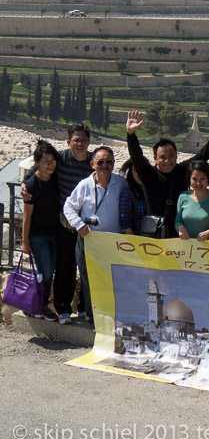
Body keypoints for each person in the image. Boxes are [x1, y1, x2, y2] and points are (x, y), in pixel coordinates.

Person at [21, 123, 93, 325]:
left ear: (89, 142)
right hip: (64, 224)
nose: (80, 144)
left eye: (84, 140)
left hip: (88, 226)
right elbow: (38, 168)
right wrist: (25, 183)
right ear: (69, 142)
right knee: (64, 267)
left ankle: (86, 308)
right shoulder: (61, 159)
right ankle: (62, 308)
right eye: (76, 140)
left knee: (89, 268)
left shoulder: (93, 162)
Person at [126, 110, 209, 237]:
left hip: (180, 233)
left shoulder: (182, 170)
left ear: (176, 156)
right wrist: (131, 134)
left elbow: (204, 154)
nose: (167, 161)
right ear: (155, 158)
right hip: (155, 233)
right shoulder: (148, 174)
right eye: (162, 157)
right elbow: (136, 155)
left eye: (171, 156)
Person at [63, 146, 129, 321]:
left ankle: (110, 316)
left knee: (111, 280)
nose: (105, 165)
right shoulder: (84, 185)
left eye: (109, 161)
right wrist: (78, 224)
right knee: (89, 281)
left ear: (114, 163)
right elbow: (68, 206)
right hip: (88, 241)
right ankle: (94, 318)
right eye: (100, 162)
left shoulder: (121, 183)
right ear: (92, 164)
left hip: (112, 244)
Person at [21, 141, 61, 322]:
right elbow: (26, 217)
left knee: (49, 270)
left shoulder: (55, 177)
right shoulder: (31, 186)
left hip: (54, 232)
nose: (50, 164)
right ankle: (41, 305)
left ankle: (34, 304)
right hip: (38, 235)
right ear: (37, 162)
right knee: (45, 271)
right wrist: (24, 242)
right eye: (46, 161)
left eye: (52, 160)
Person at [175, 161, 209, 241]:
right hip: (186, 247)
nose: (198, 183)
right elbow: (178, 220)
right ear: (189, 179)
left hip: (208, 248)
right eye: (194, 179)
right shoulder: (183, 197)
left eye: (202, 179)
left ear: (208, 179)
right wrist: (180, 228)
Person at [119, 158, 146, 235]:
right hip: (138, 239)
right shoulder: (127, 194)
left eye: (142, 169)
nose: (140, 173)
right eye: (135, 170)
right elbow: (126, 224)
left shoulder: (153, 190)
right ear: (131, 173)